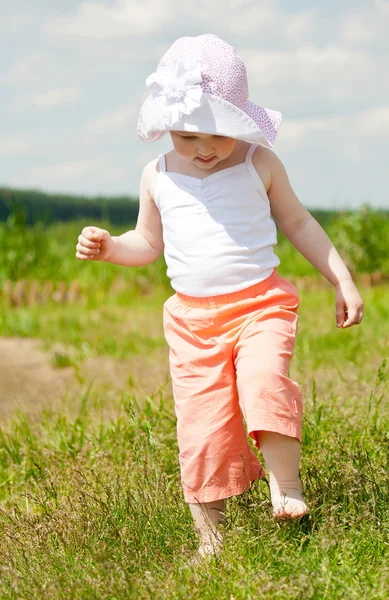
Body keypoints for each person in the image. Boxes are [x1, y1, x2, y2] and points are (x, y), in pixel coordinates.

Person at [76, 34, 364, 558]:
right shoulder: (158, 175)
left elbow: (298, 222)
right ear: (167, 126)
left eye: (219, 134)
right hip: (192, 321)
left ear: (239, 123)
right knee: (201, 422)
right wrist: (111, 248)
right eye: (188, 136)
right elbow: (147, 242)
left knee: (263, 383)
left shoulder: (259, 163)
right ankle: (211, 539)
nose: (205, 148)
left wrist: (340, 279)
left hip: (260, 305)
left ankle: (287, 485)